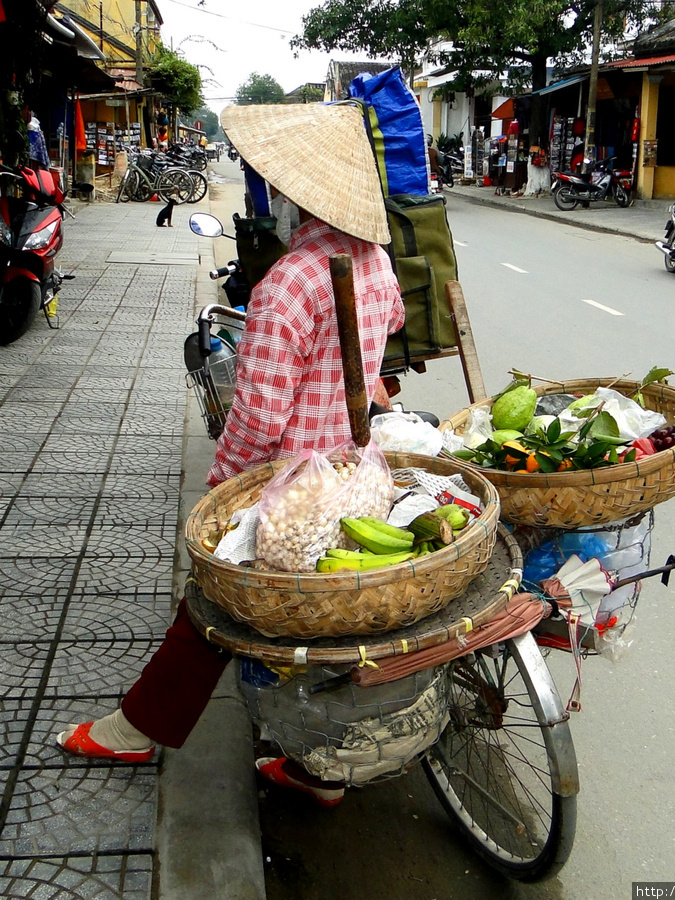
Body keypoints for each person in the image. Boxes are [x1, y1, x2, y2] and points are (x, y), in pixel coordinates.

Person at [56, 103, 405, 808]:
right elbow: (389, 328)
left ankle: (135, 729)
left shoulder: (289, 282)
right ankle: (319, 769)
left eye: (276, 185)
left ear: (293, 194)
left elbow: (256, 420)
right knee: (322, 624)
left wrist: (219, 494)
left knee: (211, 597)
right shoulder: (374, 260)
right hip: (357, 477)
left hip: (294, 491)